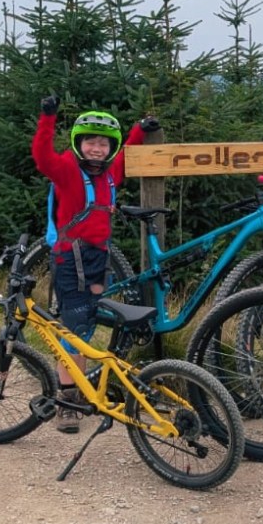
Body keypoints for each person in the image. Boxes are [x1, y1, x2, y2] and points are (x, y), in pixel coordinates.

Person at [31, 97, 157, 432]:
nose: (97, 148)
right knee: (73, 329)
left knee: (85, 325)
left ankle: (86, 391)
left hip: (98, 257)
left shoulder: (111, 172)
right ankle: (67, 402)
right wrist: (48, 117)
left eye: (103, 143)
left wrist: (139, 131)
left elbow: (128, 154)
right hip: (70, 258)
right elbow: (42, 157)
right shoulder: (66, 169)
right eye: (90, 141)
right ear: (79, 143)